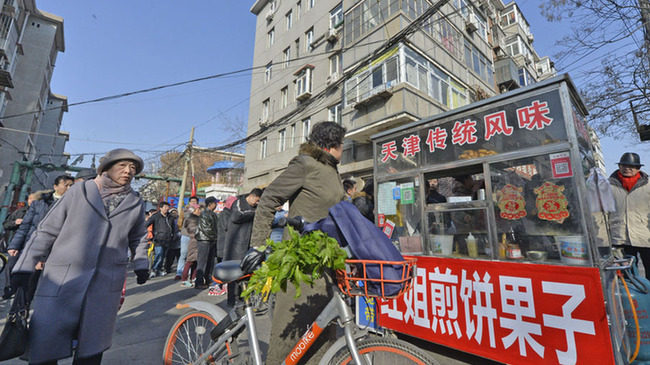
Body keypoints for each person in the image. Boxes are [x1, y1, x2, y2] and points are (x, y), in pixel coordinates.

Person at [11, 148, 150, 365]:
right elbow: (46, 230)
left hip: (105, 281)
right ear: (107, 167)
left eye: (133, 168)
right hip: (63, 278)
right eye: (122, 166)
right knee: (46, 343)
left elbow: (139, 236)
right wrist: (24, 266)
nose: (128, 171)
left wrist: (141, 262)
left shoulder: (134, 201)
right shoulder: (80, 191)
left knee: (92, 347)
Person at [250, 121, 346, 364]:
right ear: (332, 144)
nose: (344, 149)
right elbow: (269, 199)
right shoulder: (305, 165)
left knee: (323, 334)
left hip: (325, 263)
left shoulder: (333, 171)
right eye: (342, 144)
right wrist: (258, 246)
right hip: (299, 264)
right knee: (290, 334)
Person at [6, 175, 74, 301]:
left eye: (72, 186)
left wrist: (42, 257)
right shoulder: (40, 203)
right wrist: (14, 245)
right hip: (29, 245)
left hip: (50, 252)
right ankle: (16, 310)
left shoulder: (72, 206)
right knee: (19, 277)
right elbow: (25, 226)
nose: (70, 188)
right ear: (55, 186)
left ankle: (23, 309)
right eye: (67, 185)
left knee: (32, 283)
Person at [609, 152, 650, 278]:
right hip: (620, 236)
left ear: (638, 169)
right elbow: (602, 211)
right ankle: (634, 297)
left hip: (645, 235)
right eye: (624, 165)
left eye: (631, 166)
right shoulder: (608, 186)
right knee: (628, 274)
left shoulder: (648, 185)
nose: (627, 168)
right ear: (619, 167)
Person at [224, 188, 262, 306]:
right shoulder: (239, 203)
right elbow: (237, 216)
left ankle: (243, 299)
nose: (257, 203)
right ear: (251, 196)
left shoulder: (255, 208)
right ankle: (232, 300)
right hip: (236, 245)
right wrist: (256, 213)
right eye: (257, 200)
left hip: (247, 245)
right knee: (234, 274)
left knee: (245, 274)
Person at [147, 201, 177, 277]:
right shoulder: (155, 216)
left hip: (167, 239)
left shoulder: (170, 217)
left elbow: (173, 227)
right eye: (165, 207)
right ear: (160, 208)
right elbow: (146, 224)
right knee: (159, 254)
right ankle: (154, 269)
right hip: (158, 239)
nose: (167, 209)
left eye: (168, 207)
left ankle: (159, 269)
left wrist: (173, 236)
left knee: (163, 256)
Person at [195, 196, 219, 289]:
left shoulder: (212, 214)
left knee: (210, 261)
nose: (216, 205)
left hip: (211, 240)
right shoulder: (205, 214)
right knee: (202, 262)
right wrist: (215, 236)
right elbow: (207, 229)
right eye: (215, 203)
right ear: (210, 204)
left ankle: (208, 279)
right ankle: (199, 281)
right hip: (204, 240)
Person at [176, 196, 200, 280]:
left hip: (195, 236)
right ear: (189, 202)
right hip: (186, 235)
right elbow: (182, 220)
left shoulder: (199, 211)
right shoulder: (185, 211)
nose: (193, 203)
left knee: (193, 256)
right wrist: (192, 211)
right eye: (192, 201)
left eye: (195, 201)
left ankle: (191, 274)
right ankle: (179, 272)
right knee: (183, 254)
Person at [180, 203, 200, 287]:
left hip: (196, 241)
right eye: (198, 209)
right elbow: (192, 230)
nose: (200, 211)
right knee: (190, 261)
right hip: (193, 241)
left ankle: (193, 278)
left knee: (195, 261)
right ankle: (184, 280)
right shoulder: (192, 219)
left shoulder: (196, 218)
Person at [164, 208, 182, 277]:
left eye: (175, 212)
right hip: (171, 241)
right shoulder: (168, 220)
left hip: (179, 241)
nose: (174, 214)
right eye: (172, 212)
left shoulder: (180, 220)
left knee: (179, 256)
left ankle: (180, 268)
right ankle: (167, 268)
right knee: (170, 257)